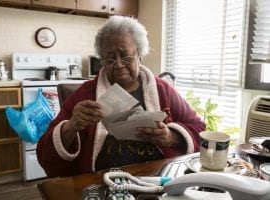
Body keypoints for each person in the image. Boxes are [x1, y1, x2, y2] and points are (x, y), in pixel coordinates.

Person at [37, 16, 206, 178]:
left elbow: (199, 129)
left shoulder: (162, 89)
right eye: (109, 59)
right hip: (102, 181)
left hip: (158, 179)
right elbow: (44, 155)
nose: (118, 64)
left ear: (140, 54)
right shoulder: (85, 95)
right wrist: (71, 126)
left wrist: (171, 136)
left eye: (125, 56)